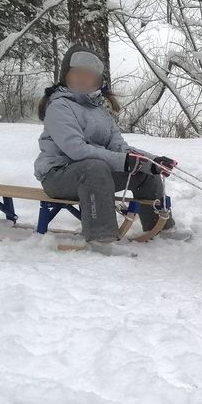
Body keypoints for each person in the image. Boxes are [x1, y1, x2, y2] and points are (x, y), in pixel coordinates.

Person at [33, 45, 181, 251]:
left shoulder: (99, 110)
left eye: (90, 76)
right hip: (58, 175)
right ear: (65, 76)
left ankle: (161, 229)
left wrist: (152, 161)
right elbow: (76, 150)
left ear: (98, 81)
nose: (84, 79)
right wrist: (123, 162)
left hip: (95, 174)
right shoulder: (59, 106)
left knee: (142, 170)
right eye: (78, 74)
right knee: (94, 167)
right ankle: (101, 238)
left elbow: (118, 146)